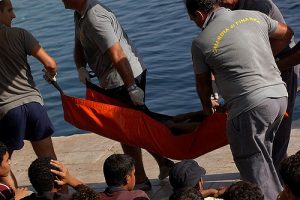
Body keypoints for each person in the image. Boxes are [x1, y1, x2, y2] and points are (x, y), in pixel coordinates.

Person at [184, 0, 294, 199]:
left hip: (250, 107)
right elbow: (287, 33)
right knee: (266, 157)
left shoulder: (200, 43)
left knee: (253, 167)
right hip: (279, 97)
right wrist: (265, 56)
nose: (195, 23)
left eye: (193, 20)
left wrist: (207, 107)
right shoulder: (253, 16)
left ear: (199, 15)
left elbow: (203, 85)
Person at [60, 0, 174, 190]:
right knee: (134, 127)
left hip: (123, 77)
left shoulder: (95, 17)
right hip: (113, 79)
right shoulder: (79, 15)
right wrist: (80, 66)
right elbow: (78, 44)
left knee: (127, 132)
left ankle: (142, 180)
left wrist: (131, 87)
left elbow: (116, 51)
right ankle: (163, 163)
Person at [219, 0, 300, 174]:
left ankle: (279, 176)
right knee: (266, 131)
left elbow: (286, 37)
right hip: (261, 70)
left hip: (281, 66)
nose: (219, 4)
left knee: (280, 129)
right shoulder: (223, 11)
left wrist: (265, 64)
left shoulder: (258, 6)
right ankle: (277, 168)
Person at [0, 0, 58, 190]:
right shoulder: (21, 34)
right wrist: (50, 75)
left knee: (2, 167)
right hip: (34, 106)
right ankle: (62, 195)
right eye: (9, 10)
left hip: (7, 111)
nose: (14, 15)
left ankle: (14, 196)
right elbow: (50, 63)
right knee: (50, 162)